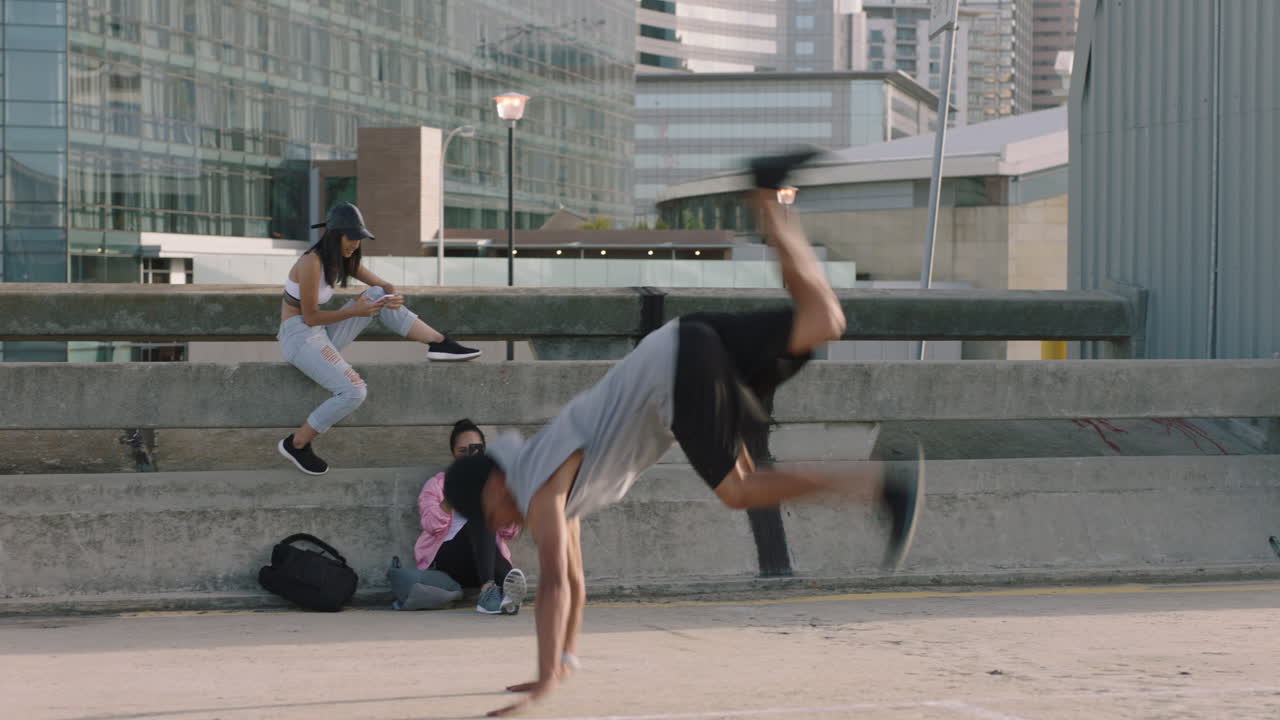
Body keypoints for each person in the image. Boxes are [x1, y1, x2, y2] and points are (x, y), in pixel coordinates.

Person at [443, 152, 925, 717]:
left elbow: (552, 585)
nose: (502, 528)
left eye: (491, 516)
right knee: (825, 320)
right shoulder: (548, 482)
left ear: (495, 486)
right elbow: (576, 582)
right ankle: (769, 197)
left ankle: (876, 486)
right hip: (688, 339)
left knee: (739, 489)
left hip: (675, 376)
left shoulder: (537, 482)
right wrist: (565, 661)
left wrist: (544, 680)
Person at [276, 202, 481, 475]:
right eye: (352, 239)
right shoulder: (311, 262)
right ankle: (297, 444)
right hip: (299, 336)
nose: (355, 245)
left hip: (318, 335)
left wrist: (391, 294)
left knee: (375, 295)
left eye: (359, 240)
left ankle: (439, 342)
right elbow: (311, 317)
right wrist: (357, 310)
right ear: (336, 235)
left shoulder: (341, 258)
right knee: (354, 391)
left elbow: (382, 287)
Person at [411, 419, 525, 614]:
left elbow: (510, 531)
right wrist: (454, 495)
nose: (469, 455)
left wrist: (498, 498)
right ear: (453, 453)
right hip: (447, 562)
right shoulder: (438, 484)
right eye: (462, 451)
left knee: (486, 523)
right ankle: (490, 592)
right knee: (478, 516)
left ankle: (505, 596)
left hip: (483, 563)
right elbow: (430, 525)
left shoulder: (495, 484)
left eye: (475, 449)